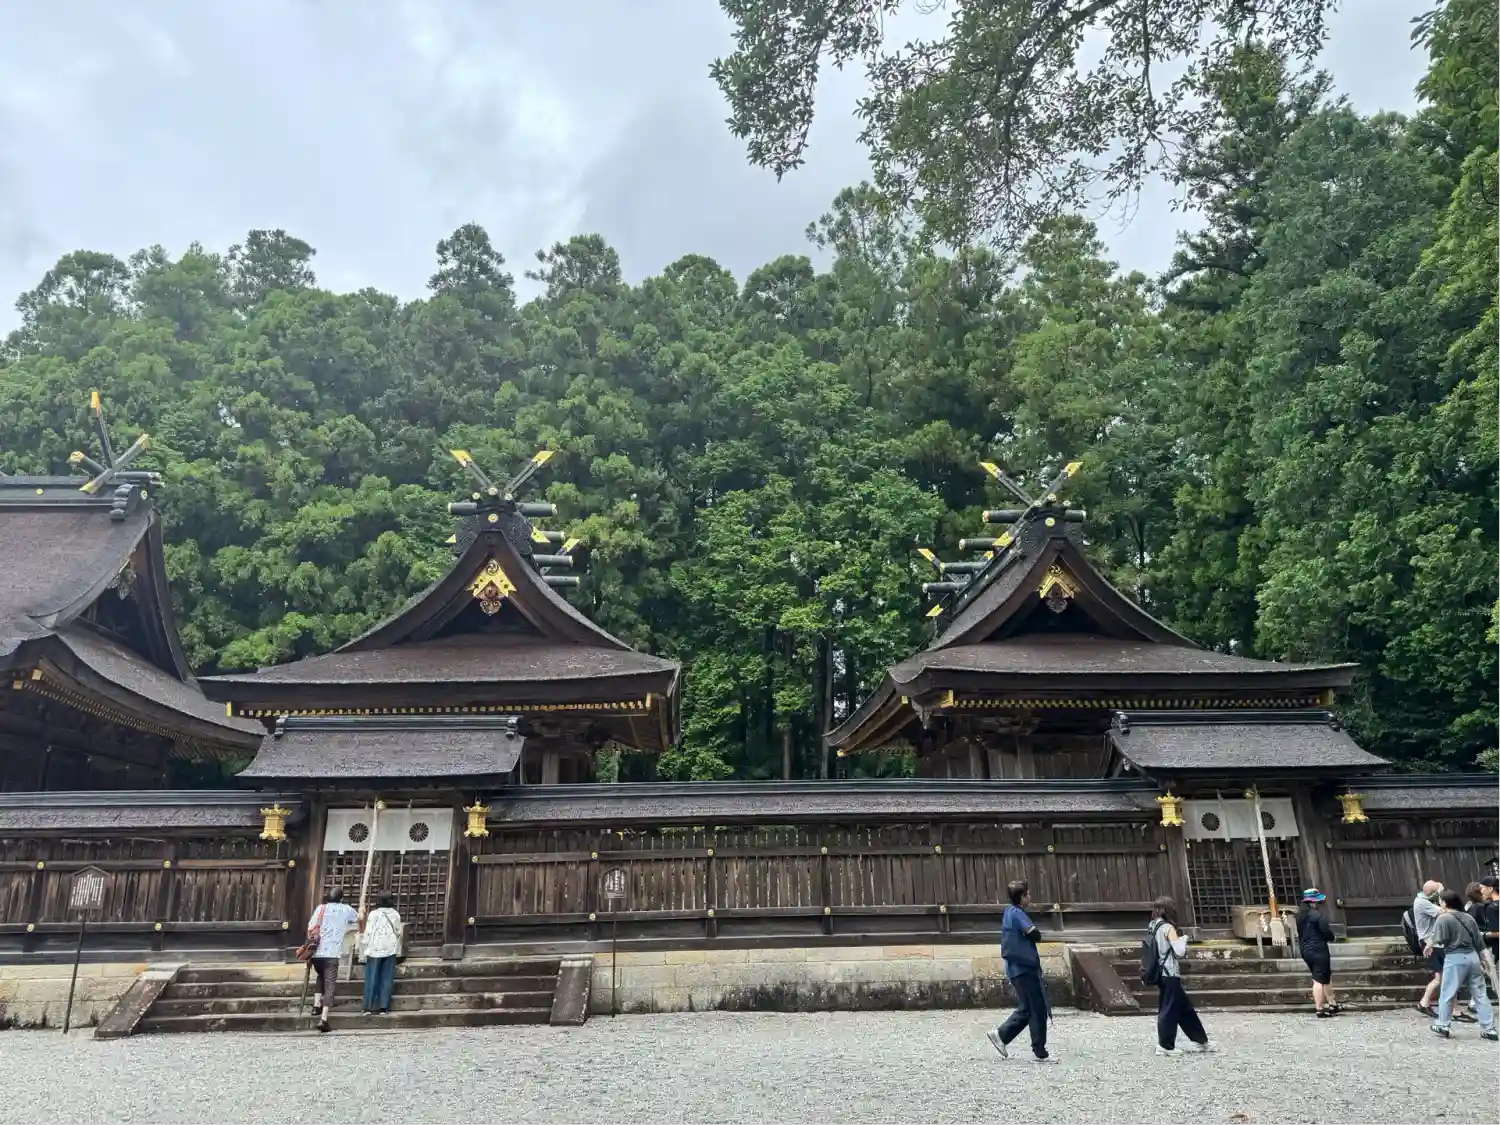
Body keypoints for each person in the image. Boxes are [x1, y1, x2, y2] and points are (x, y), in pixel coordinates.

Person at [986, 879, 1052, 1062]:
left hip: (1016, 968)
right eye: (1027, 894)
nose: (1030, 896)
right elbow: (1034, 934)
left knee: (1029, 1007)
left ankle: (1001, 1036)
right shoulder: (1017, 914)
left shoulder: (1009, 912)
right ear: (1022, 897)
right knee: (1037, 1008)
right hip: (1025, 968)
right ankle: (1039, 1051)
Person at [1425, 888, 1496, 1040]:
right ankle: (1489, 1029)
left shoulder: (1444, 918)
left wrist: (1428, 945)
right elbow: (1478, 940)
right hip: (1473, 957)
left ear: (1444, 902)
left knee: (1447, 993)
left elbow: (1438, 938)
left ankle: (1443, 1024)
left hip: (1455, 957)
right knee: (1480, 995)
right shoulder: (1468, 917)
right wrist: (1484, 959)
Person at [1148, 895, 1213, 1057]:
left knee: (1185, 1009)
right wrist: (1183, 939)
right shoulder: (1168, 928)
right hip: (1170, 972)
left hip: (1160, 972)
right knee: (1169, 1010)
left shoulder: (1153, 925)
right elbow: (1179, 952)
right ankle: (1165, 1045)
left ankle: (1200, 1040)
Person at [306, 887, 358, 1033]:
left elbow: (310, 928)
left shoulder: (321, 908)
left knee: (320, 976)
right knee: (330, 984)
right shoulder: (346, 909)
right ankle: (324, 1019)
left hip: (317, 952)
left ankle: (316, 1005)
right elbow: (358, 918)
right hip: (332, 953)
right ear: (341, 898)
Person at [358, 892, 404, 1016]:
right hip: (390, 949)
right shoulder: (395, 914)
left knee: (372, 978)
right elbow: (398, 931)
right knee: (386, 979)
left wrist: (363, 946)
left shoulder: (373, 914)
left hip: (374, 949)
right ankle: (383, 1007)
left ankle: (369, 1007)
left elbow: (368, 932)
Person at [1296, 889, 1338, 1017]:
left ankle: (1332, 1003)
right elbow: (1326, 931)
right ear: (1313, 902)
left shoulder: (1300, 916)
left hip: (1305, 949)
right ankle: (1319, 1008)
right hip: (1318, 949)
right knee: (1318, 979)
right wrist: (1332, 938)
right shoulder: (1317, 915)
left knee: (1324, 975)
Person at [1413, 880, 1445, 1017]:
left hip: (1432, 941)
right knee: (1439, 977)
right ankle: (1423, 1003)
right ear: (1432, 894)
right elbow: (1444, 911)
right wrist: (1442, 893)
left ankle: (1424, 1003)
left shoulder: (1422, 900)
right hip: (1429, 943)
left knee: (1441, 976)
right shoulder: (1423, 903)